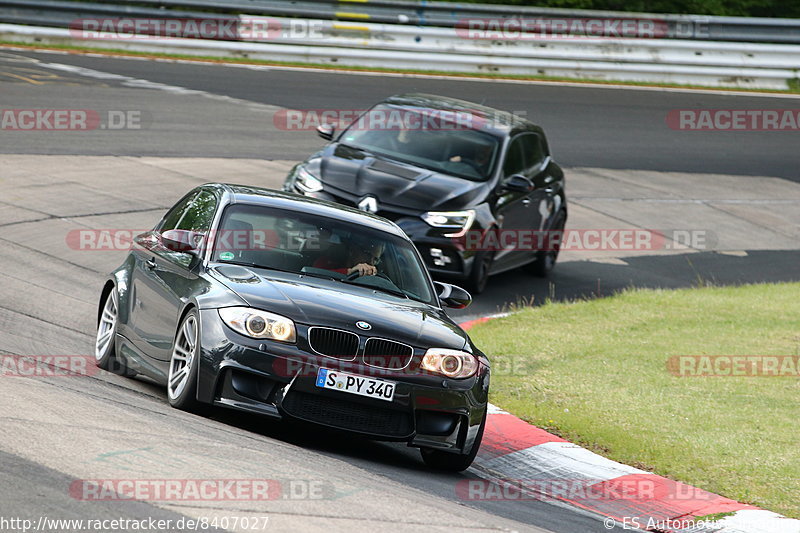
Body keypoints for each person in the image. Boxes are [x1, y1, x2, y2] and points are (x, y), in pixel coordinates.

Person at [313, 238, 384, 277]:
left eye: (375, 259)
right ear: (353, 250)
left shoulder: (374, 277)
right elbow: (315, 276)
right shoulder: (326, 262)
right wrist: (349, 272)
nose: (371, 262)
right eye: (368, 254)